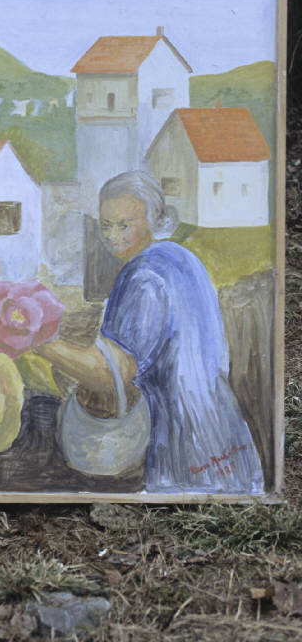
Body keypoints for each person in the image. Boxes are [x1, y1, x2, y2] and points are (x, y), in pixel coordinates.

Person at [37, 171, 264, 493]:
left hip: (179, 438)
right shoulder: (182, 258)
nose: (112, 236)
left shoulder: (143, 277)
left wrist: (39, 343)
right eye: (106, 225)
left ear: (154, 219)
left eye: (124, 225)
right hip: (221, 430)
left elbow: (111, 374)